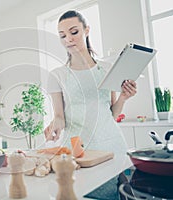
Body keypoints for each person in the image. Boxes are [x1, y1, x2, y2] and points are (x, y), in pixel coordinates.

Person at [44, 10, 137, 154]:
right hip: (77, 148)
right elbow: (59, 117)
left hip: (112, 144)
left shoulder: (106, 69)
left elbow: (111, 114)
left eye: (74, 32)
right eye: (62, 35)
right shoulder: (57, 75)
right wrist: (55, 124)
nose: (68, 39)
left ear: (86, 30)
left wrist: (123, 97)